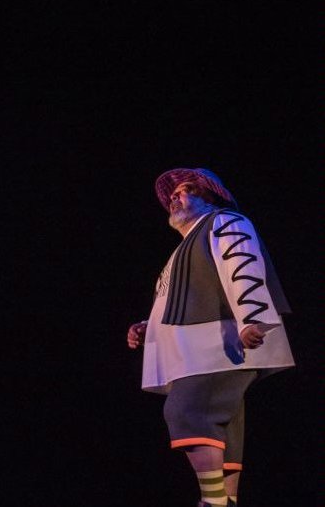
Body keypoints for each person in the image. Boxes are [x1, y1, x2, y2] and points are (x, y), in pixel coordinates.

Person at [126, 168, 294, 507]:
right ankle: (226, 501)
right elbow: (178, 299)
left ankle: (213, 501)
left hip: (219, 343)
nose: (176, 196)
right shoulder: (184, 250)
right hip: (197, 348)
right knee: (221, 421)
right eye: (173, 194)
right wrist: (149, 327)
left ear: (211, 197)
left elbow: (243, 265)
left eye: (187, 190)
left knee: (188, 411)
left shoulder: (226, 222)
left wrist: (253, 319)